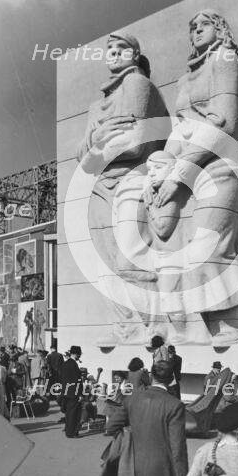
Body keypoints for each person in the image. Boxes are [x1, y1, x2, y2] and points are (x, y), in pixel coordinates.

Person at [158, 9, 238, 344]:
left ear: (220, 28)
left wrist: (178, 172)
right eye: (192, 27)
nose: (196, 30)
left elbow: (225, 122)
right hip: (183, 171)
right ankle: (199, 326)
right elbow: (179, 128)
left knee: (212, 246)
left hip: (216, 166)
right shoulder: (185, 80)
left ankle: (232, 323)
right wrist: (162, 167)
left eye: (204, 24)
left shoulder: (225, 58)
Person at [76, 31, 170, 345]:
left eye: (121, 48)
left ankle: (155, 326)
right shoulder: (97, 106)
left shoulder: (138, 85)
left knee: (130, 259)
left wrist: (96, 147)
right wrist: (102, 137)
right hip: (102, 187)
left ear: (134, 54)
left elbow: (135, 144)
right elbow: (83, 161)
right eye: (110, 48)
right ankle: (125, 326)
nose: (114, 53)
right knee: (105, 268)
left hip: (134, 178)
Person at [106, 360, 188, 476]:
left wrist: (129, 436)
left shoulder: (133, 399)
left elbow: (111, 426)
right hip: (162, 475)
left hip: (135, 471)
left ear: (150, 376)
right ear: (172, 378)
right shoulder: (175, 405)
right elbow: (177, 447)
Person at [61, 346, 83, 438]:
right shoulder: (74, 365)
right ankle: (72, 432)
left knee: (69, 413)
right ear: (76, 354)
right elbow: (76, 380)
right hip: (74, 392)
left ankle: (68, 430)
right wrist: (80, 393)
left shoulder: (65, 364)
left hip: (66, 391)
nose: (80, 356)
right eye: (79, 354)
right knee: (74, 413)